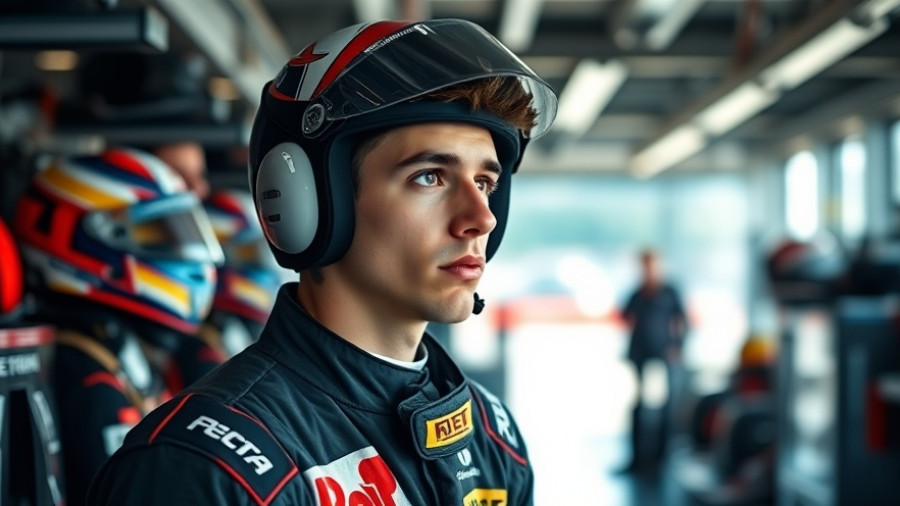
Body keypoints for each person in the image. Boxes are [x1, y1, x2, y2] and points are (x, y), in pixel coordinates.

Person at [87, 18, 557, 505]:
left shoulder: (490, 436)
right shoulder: (202, 467)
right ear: (307, 203)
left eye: (485, 184)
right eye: (430, 177)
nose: (480, 218)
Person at [14, 148, 224, 506]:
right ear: (87, 239)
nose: (179, 248)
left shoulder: (110, 352)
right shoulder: (83, 371)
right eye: (157, 235)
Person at [619, 248, 688, 473]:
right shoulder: (637, 293)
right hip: (641, 356)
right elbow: (625, 316)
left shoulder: (669, 292)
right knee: (639, 407)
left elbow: (682, 320)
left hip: (663, 355)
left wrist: (678, 347)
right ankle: (638, 459)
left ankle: (661, 459)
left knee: (666, 409)